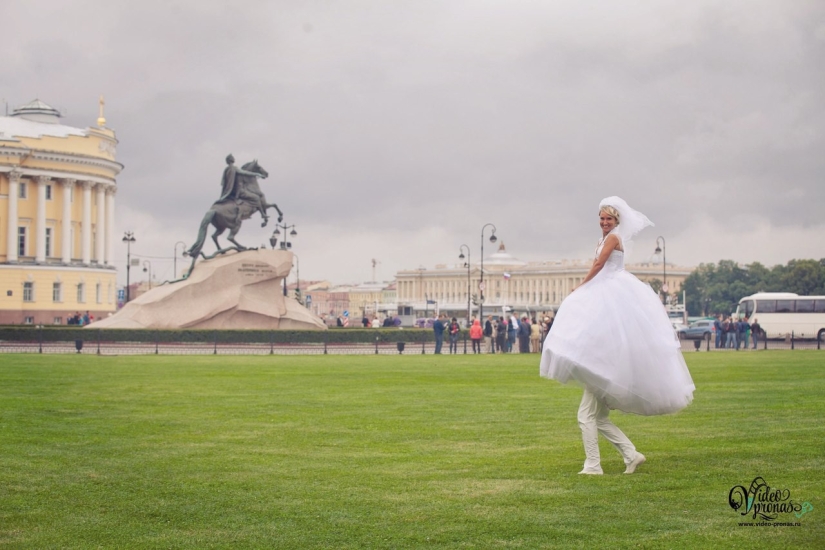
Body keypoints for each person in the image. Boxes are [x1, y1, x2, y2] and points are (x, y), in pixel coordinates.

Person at [540, 196, 695, 475]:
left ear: (617, 221)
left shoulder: (613, 239)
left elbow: (599, 266)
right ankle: (630, 454)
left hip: (609, 291)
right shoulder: (604, 239)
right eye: (601, 218)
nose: (604, 222)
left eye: (608, 219)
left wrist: (580, 287)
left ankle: (594, 465)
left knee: (587, 416)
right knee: (597, 417)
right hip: (605, 313)